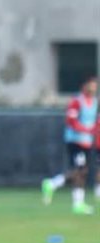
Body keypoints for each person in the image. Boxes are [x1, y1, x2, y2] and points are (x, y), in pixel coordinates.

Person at [41, 76, 97, 215]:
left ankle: (74, 201)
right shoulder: (76, 101)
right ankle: (55, 186)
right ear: (84, 86)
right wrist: (85, 130)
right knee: (80, 170)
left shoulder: (95, 102)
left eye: (95, 86)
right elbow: (71, 121)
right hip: (75, 141)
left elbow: (94, 122)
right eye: (91, 85)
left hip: (86, 142)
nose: (93, 88)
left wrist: (94, 130)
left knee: (82, 171)